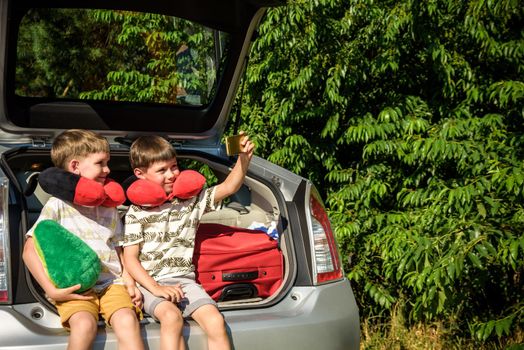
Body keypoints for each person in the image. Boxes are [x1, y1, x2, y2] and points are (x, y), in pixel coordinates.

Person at [123, 133, 255, 350]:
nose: (171, 175)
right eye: (161, 170)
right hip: (149, 283)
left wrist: (244, 159)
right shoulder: (135, 213)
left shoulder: (191, 203)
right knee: (172, 318)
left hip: (185, 282)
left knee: (215, 321)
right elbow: (130, 259)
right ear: (140, 174)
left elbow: (229, 187)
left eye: (174, 167)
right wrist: (156, 288)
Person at [22, 129, 144, 350]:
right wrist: (52, 290)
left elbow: (118, 248)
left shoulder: (110, 207)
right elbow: (29, 251)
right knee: (84, 325)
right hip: (76, 289)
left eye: (108, 163)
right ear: (75, 166)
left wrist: (129, 280)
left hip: (111, 284)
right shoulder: (57, 205)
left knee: (127, 321)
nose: (108, 170)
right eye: (100, 163)